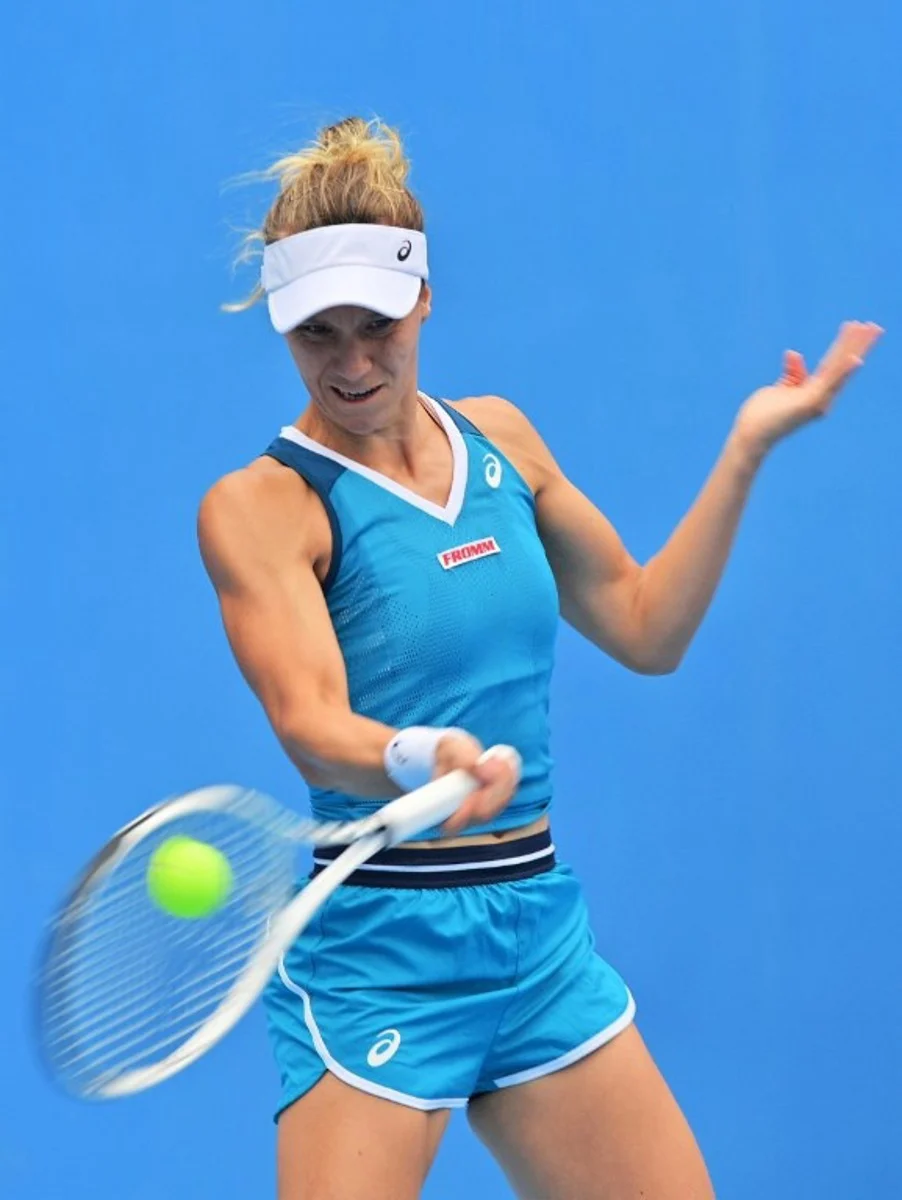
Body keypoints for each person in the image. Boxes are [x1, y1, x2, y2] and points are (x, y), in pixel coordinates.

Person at [198, 116, 882, 1200]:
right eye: (315, 335)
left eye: (373, 324)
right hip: (381, 948)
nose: (351, 362)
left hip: (532, 932)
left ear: (423, 297)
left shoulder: (500, 441)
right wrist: (421, 755)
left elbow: (644, 625)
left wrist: (745, 447)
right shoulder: (262, 505)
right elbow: (309, 723)